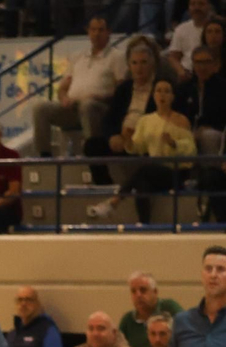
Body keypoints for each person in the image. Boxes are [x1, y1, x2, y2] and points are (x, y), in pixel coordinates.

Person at [87, 77, 194, 222]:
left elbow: (190, 149)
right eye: (158, 91)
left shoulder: (181, 120)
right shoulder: (146, 121)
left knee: (144, 170)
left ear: (172, 96)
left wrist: (174, 143)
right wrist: (128, 140)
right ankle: (144, 225)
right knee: (141, 185)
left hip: (175, 170)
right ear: (154, 95)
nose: (162, 95)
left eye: (166, 91)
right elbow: (137, 147)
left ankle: (114, 201)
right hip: (154, 171)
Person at [29, 15, 122, 157]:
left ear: (108, 32)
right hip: (72, 107)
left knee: (88, 105)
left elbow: (122, 90)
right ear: (88, 32)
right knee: (40, 108)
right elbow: (62, 88)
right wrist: (64, 98)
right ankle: (44, 155)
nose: (97, 34)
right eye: (93, 30)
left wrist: (98, 96)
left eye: (101, 30)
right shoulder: (78, 56)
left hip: (100, 107)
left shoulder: (117, 57)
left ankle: (92, 153)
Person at [84, 37, 160, 187]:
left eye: (144, 62)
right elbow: (109, 118)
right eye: (135, 63)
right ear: (129, 66)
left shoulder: (161, 86)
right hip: (123, 137)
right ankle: (105, 186)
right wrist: (113, 136)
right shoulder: (124, 88)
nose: (139, 67)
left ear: (152, 65)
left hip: (146, 139)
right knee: (92, 145)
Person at [118, 270, 184, 347]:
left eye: (143, 290)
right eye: (133, 291)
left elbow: (188, 334)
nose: (138, 295)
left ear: (155, 292)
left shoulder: (170, 308)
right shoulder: (127, 320)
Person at [168, 0, 214, 75]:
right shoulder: (181, 29)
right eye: (193, 4)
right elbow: (173, 57)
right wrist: (180, 71)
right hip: (187, 73)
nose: (197, 8)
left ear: (209, 7)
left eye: (201, 4)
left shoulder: (217, 28)